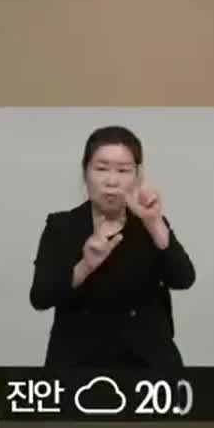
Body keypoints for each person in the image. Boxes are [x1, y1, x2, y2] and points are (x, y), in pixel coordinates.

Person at [28, 125, 196, 366]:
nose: (111, 181)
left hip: (148, 364)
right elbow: (40, 297)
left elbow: (184, 279)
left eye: (123, 170)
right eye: (101, 168)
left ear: (137, 176)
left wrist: (154, 222)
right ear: (85, 172)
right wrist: (85, 266)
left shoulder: (150, 224)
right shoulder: (61, 226)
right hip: (78, 364)